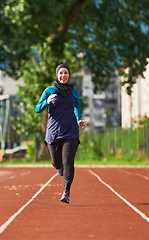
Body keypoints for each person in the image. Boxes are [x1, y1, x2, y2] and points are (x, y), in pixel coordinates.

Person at [35, 63, 87, 204]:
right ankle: (59, 167)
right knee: (56, 162)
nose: (63, 75)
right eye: (61, 73)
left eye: (66, 73)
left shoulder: (73, 91)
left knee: (68, 161)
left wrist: (78, 119)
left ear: (69, 75)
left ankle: (66, 191)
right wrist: (46, 101)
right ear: (57, 75)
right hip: (54, 131)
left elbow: (76, 105)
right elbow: (37, 108)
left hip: (71, 131)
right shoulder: (49, 90)